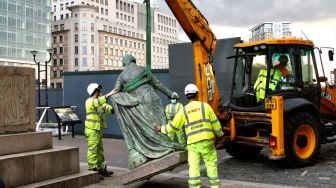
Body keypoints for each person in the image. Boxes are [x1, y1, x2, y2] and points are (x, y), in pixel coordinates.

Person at [110, 54, 184, 169]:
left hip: (136, 101)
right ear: (134, 60)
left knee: (144, 125)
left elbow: (116, 91)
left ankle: (151, 148)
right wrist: (170, 93)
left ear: (125, 63)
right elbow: (157, 84)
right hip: (150, 97)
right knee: (157, 121)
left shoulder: (121, 76)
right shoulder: (143, 69)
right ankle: (166, 144)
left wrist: (106, 98)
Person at [154, 84, 224, 188]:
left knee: (194, 168)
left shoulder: (184, 110)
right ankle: (215, 186)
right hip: (207, 142)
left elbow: (173, 127)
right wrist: (220, 135)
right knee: (211, 165)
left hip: (193, 144)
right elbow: (215, 123)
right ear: (197, 94)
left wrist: (161, 129)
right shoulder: (205, 106)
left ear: (187, 96)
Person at [85, 83, 116, 177]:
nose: (100, 92)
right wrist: (110, 94)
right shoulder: (89, 101)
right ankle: (92, 171)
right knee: (93, 150)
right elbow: (97, 102)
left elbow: (110, 109)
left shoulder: (99, 103)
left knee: (99, 151)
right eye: (99, 90)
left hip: (97, 130)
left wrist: (115, 107)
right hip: (91, 129)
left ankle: (100, 169)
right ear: (95, 91)